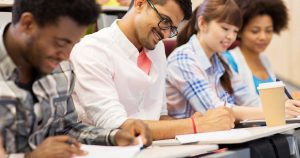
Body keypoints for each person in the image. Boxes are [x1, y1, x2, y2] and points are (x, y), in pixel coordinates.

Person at [0, 0, 151, 157]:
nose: (66, 55)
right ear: (28, 23)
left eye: (72, 45)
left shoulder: (62, 68)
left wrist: (113, 136)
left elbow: (67, 128)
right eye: (60, 43)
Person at [71, 0, 235, 140]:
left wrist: (196, 122)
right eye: (164, 20)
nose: (165, 34)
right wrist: (195, 125)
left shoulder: (157, 50)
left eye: (172, 28)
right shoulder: (92, 50)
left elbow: (159, 115)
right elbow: (116, 127)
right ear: (140, 3)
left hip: (154, 148)